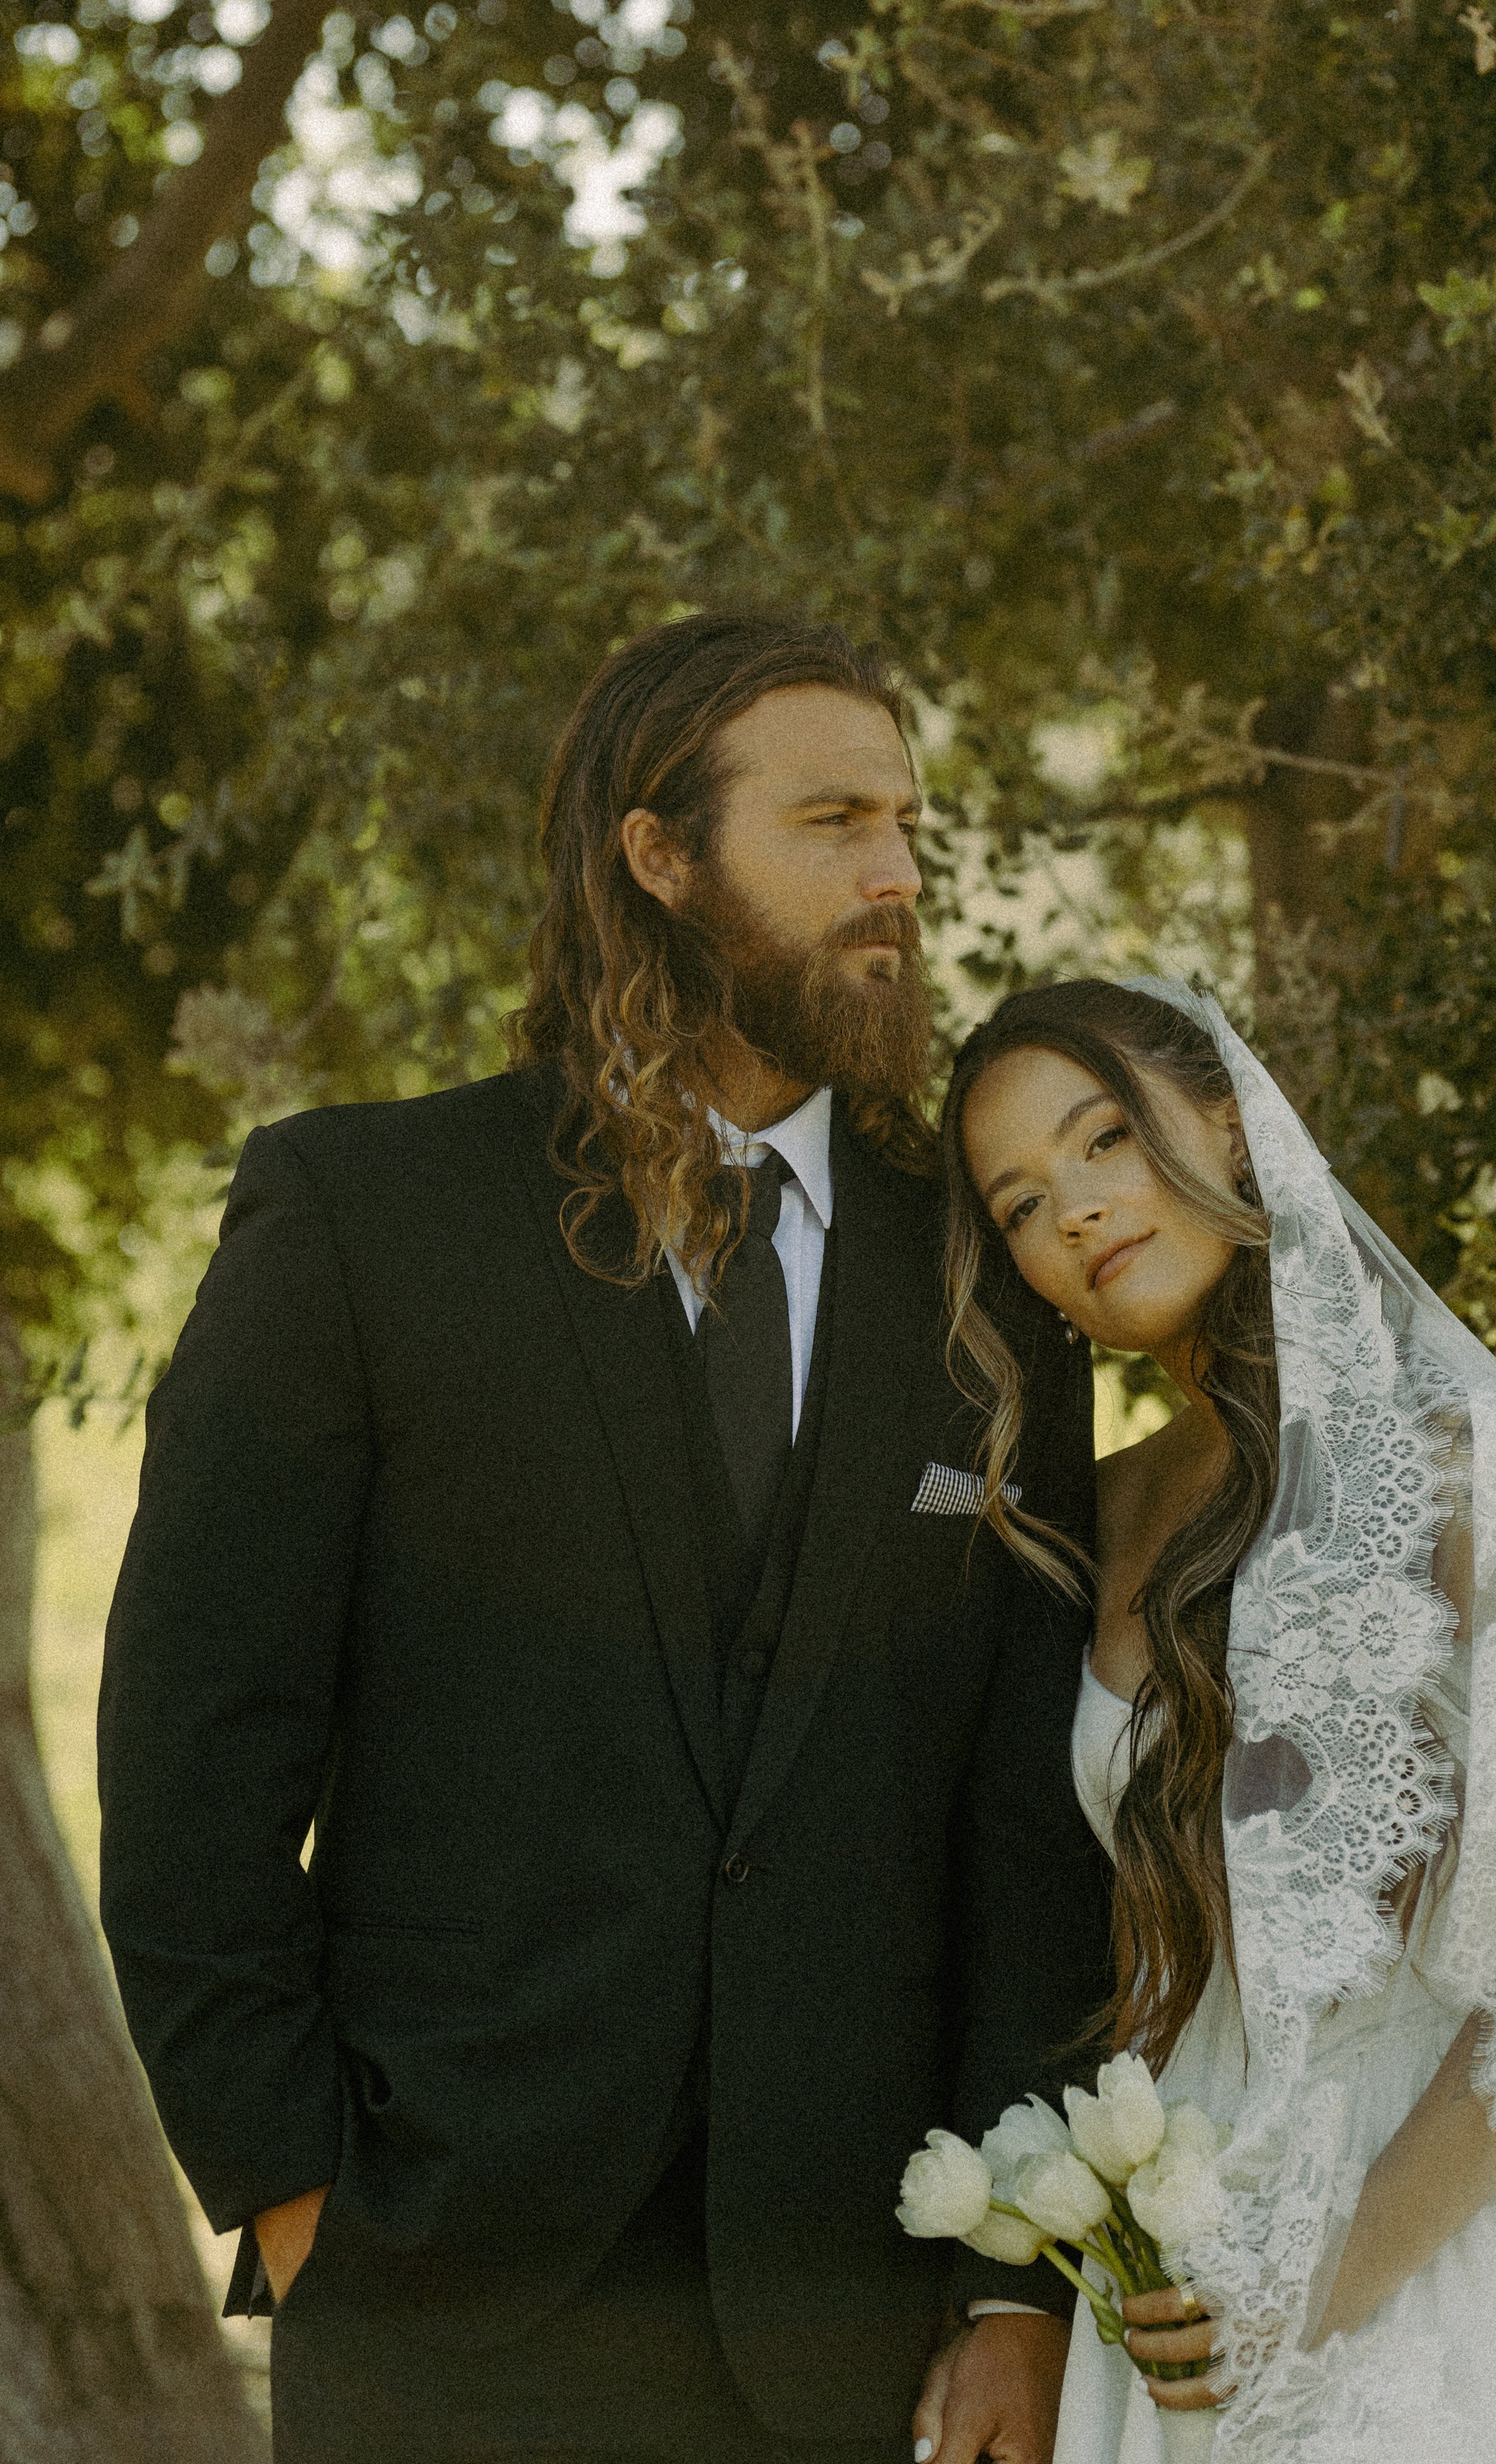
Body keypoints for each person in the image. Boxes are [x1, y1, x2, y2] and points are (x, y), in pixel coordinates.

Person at [96, 613, 1111, 2464]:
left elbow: (1028, 1829)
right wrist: (295, 2200)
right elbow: (193, 1754)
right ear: (658, 856)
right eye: (829, 822)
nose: (894, 873)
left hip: (862, 2335)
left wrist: (1009, 2286)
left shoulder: (992, 1280)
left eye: (903, 822)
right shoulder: (360, 1221)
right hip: (442, 2299)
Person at [936, 973, 1496, 2464]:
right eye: (1015, 1204)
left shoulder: (1447, 1461)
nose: (1071, 1211)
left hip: (1433, 2225)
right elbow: (893, 1512)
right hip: (1179, 2222)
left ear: (1231, 1127)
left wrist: (1326, 2276)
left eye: (1105, 1138)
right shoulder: (1094, 1515)